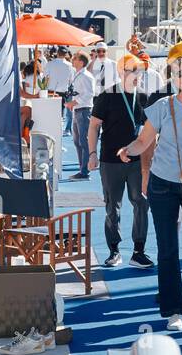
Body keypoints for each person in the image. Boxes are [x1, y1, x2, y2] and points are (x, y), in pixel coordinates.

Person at [117, 42, 182, 335]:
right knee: (167, 248)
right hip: (163, 183)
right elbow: (145, 141)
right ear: (173, 77)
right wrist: (129, 149)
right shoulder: (163, 106)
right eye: (179, 73)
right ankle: (174, 310)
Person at [88, 54, 155, 269]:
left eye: (139, 70)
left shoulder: (144, 98)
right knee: (112, 207)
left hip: (137, 162)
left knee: (141, 204)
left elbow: (152, 131)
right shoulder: (106, 96)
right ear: (120, 71)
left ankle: (139, 251)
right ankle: (113, 251)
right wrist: (92, 154)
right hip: (110, 161)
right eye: (131, 70)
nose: (136, 74)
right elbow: (93, 127)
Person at [67, 51, 95, 179]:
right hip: (78, 110)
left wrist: (75, 101)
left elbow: (89, 93)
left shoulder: (86, 76)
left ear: (81, 62)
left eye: (75, 58)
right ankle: (82, 168)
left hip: (83, 110)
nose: (73, 60)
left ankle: (85, 171)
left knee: (83, 141)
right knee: (78, 141)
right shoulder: (78, 74)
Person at [46, 47, 75, 134]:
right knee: (60, 116)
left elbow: (45, 77)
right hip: (63, 92)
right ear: (65, 54)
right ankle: (59, 137)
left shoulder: (50, 64)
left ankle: (52, 133)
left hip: (51, 92)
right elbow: (71, 80)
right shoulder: (69, 65)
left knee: (51, 115)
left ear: (57, 53)